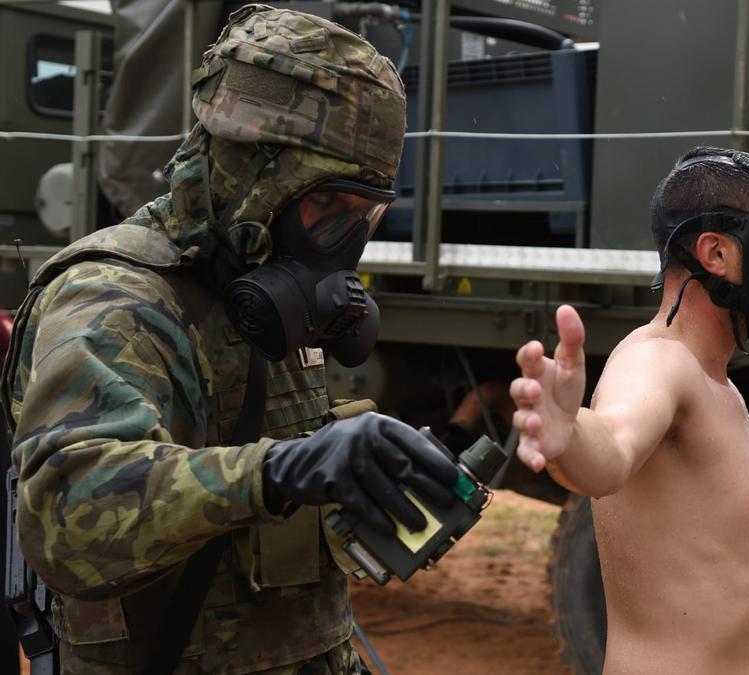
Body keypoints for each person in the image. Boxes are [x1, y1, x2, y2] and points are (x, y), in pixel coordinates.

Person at [1, 6, 459, 673]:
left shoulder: (261, 292)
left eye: (368, 214)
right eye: (328, 207)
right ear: (250, 171)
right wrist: (275, 473)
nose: (346, 243)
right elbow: (70, 516)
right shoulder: (114, 299)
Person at [510, 148, 749, 673]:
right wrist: (570, 434)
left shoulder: (714, 380)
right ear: (714, 253)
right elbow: (613, 450)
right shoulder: (657, 362)